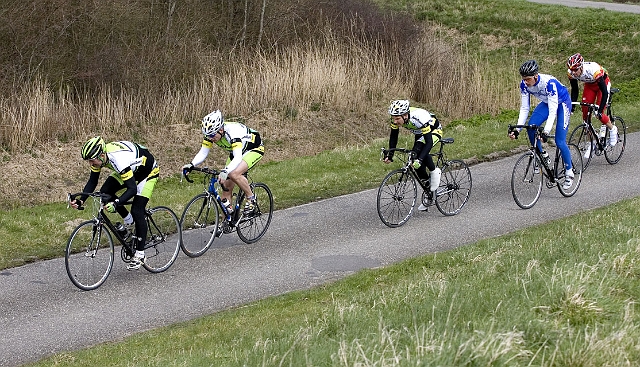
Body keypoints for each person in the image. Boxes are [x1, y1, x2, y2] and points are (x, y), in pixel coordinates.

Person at [70, 137, 160, 270]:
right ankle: (129, 222)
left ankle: (140, 254)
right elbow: (92, 181)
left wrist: (116, 203)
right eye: (88, 161)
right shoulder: (100, 158)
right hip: (130, 169)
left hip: (147, 172)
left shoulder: (118, 159)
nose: (90, 164)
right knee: (106, 192)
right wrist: (81, 200)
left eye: (91, 160)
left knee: (137, 210)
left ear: (101, 155)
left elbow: (132, 189)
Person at [182, 110, 264, 215]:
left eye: (212, 135)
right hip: (236, 152)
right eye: (208, 136)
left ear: (221, 129)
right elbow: (203, 153)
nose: (211, 138)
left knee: (233, 173)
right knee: (226, 187)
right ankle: (226, 222)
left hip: (253, 149)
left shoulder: (233, 132)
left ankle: (251, 198)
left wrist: (226, 171)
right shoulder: (211, 134)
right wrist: (191, 164)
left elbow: (238, 157)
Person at [508, 59, 574, 189]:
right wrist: (518, 130)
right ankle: (542, 154)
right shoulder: (524, 85)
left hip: (562, 103)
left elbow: (553, 111)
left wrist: (546, 132)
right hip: (546, 103)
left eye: (528, 79)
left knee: (560, 141)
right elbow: (524, 108)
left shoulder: (549, 84)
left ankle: (569, 172)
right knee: (531, 127)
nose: (525, 82)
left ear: (535, 76)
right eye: (524, 79)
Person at [383, 99, 442, 211]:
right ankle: (429, 192)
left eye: (397, 119)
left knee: (420, 154)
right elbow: (393, 137)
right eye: (393, 118)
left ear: (405, 115)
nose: (395, 121)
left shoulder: (419, 117)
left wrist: (420, 159)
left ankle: (435, 172)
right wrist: (390, 155)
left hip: (434, 131)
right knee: (414, 160)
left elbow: (428, 142)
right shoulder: (396, 118)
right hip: (419, 132)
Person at [566, 52, 618, 149]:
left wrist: (600, 109)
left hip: (602, 85)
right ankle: (592, 142)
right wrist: (572, 107)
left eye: (575, 70)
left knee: (599, 114)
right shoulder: (571, 73)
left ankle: (612, 128)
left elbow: (604, 92)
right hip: (589, 86)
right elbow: (575, 90)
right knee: (585, 116)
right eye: (571, 70)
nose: (573, 72)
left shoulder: (593, 70)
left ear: (581, 67)